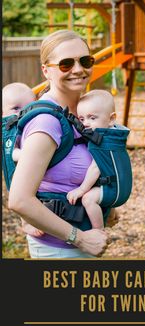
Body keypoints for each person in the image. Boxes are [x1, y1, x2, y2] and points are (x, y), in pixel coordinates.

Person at [8, 30, 108, 258]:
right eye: (65, 64)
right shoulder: (47, 122)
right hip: (59, 250)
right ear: (46, 70)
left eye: (85, 60)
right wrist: (80, 238)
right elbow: (19, 200)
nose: (78, 69)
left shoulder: (82, 113)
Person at [67, 89, 118, 229]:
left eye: (92, 118)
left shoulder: (104, 142)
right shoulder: (113, 134)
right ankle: (110, 215)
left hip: (112, 188)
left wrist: (81, 189)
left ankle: (99, 232)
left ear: (111, 119)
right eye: (82, 119)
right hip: (114, 185)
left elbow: (96, 167)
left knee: (88, 199)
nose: (86, 124)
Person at [2, 82, 44, 237]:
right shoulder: (8, 130)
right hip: (15, 172)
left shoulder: (28, 124)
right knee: (23, 199)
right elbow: (11, 153)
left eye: (28, 107)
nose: (23, 113)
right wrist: (30, 152)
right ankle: (26, 223)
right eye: (16, 108)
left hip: (28, 171)